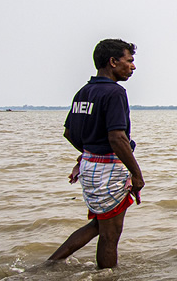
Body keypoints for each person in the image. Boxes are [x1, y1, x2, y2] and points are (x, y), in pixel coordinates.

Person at [48, 39, 144, 268]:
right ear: (113, 62)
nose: (133, 66)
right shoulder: (115, 93)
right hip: (107, 172)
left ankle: (51, 264)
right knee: (110, 235)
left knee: (99, 226)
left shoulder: (84, 91)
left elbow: (69, 133)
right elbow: (117, 138)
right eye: (129, 61)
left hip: (90, 168)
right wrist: (136, 174)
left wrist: (89, 153)